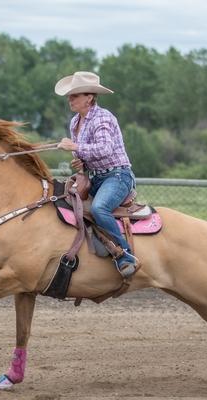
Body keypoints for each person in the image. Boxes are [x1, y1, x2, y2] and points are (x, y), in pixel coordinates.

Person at [55, 71, 138, 278]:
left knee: (100, 209)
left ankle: (125, 255)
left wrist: (75, 146)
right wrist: (80, 161)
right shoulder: (76, 122)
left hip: (117, 176)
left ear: (89, 97)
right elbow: (87, 152)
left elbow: (105, 149)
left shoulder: (103, 117)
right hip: (97, 178)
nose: (70, 99)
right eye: (70, 95)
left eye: (75, 95)